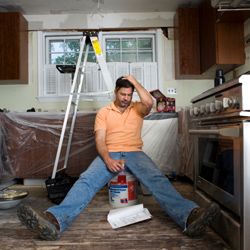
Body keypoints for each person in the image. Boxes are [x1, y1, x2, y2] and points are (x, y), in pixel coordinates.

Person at [17, 75, 220, 241]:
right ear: (115, 92)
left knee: (158, 180)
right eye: (122, 94)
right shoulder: (104, 113)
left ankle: (190, 217)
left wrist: (134, 80)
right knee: (86, 180)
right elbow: (100, 139)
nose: (126, 98)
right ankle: (54, 220)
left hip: (135, 152)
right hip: (111, 153)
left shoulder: (138, 108)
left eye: (129, 94)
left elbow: (150, 101)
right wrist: (107, 159)